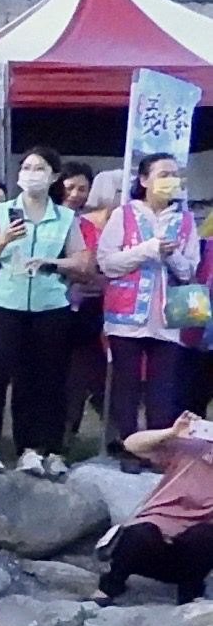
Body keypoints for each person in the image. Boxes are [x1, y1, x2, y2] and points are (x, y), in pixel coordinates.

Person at [0, 146, 91, 477]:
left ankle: (33, 448)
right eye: (26, 167)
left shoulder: (65, 217)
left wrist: (53, 263)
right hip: (6, 303)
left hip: (50, 306)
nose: (31, 173)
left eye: (39, 168)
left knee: (41, 379)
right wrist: (5, 239)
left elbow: (82, 262)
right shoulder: (2, 211)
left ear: (54, 177)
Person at [99, 153, 200, 457]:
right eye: (163, 174)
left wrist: (170, 254)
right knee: (126, 384)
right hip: (127, 315)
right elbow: (107, 262)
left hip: (168, 317)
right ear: (144, 180)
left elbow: (190, 270)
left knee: (162, 387)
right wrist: (147, 250)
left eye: (175, 175)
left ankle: (158, 451)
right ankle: (127, 448)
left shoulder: (184, 219)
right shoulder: (124, 214)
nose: (171, 181)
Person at [101, 413, 213, 603]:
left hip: (197, 545)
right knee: (141, 533)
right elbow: (130, 445)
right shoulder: (196, 445)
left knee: (203, 536)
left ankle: (190, 597)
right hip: (154, 532)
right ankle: (109, 587)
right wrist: (172, 432)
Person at [57, 158, 107, 441]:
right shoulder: (44, 220)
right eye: (71, 187)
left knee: (84, 374)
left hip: (84, 313)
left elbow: (90, 268)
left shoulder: (88, 226)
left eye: (83, 188)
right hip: (48, 309)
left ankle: (68, 435)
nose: (76, 194)